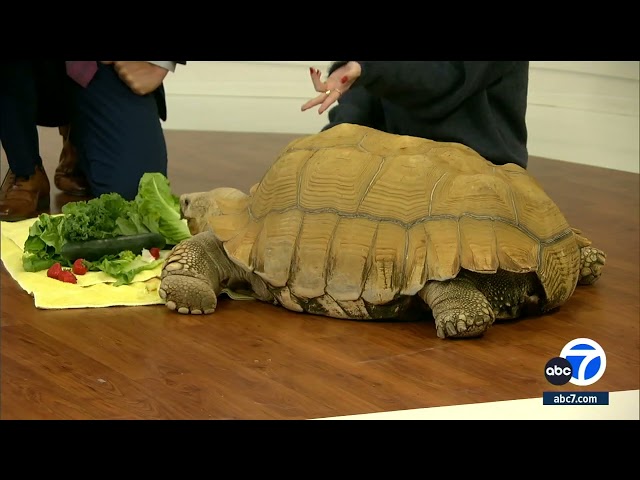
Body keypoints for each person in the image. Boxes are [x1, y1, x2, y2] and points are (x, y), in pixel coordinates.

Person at [0, 60, 185, 222]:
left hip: (100, 67)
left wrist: (159, 63)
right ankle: (26, 170)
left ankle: (79, 142)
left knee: (132, 197)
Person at [300, 61, 529, 169]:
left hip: (479, 164)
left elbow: (444, 80)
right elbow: (364, 88)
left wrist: (369, 70)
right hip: (400, 156)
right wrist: (341, 132)